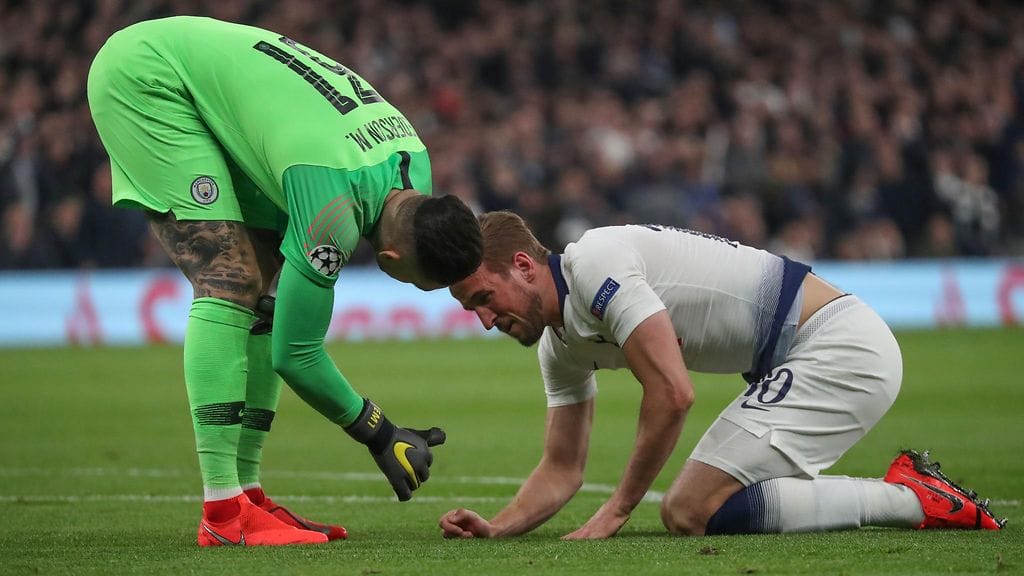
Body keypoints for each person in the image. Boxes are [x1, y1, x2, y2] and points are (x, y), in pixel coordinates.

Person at [87, 16, 483, 547]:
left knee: (266, 289)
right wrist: (380, 432)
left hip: (216, 86)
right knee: (230, 278)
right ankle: (224, 515)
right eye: (416, 283)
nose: (407, 287)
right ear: (392, 255)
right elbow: (295, 353)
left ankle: (247, 495)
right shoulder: (331, 217)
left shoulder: (415, 166)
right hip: (149, 76)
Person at [440, 211, 1004, 539]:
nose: (487, 321)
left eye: (485, 299)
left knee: (688, 509)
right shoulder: (559, 345)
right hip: (793, 360)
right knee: (699, 507)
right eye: (474, 312)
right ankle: (910, 492)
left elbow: (672, 394)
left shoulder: (593, 262)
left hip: (839, 346)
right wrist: (499, 526)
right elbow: (562, 467)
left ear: (522, 266)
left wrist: (617, 508)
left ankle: (911, 499)